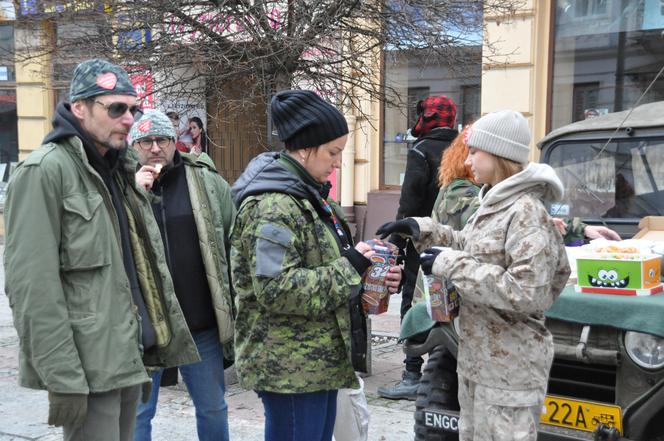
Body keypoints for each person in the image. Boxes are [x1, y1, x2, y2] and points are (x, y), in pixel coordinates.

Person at [3, 59, 198, 441]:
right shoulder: (45, 172)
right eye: (115, 108)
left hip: (126, 358)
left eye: (132, 108)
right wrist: (64, 380)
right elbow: (32, 290)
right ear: (79, 108)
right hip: (86, 369)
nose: (128, 118)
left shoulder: (118, 170)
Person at [377, 110, 571, 441]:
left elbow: (527, 292)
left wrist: (449, 264)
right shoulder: (494, 203)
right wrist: (422, 228)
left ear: (499, 155)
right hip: (478, 363)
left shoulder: (525, 211)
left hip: (510, 372)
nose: (468, 160)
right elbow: (469, 243)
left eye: (474, 152)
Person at [230, 89, 402, 441]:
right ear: (306, 148)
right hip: (289, 367)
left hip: (318, 362)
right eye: (333, 152)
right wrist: (351, 266)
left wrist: (374, 277)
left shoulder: (313, 197)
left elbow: (335, 265)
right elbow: (276, 290)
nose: (338, 162)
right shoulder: (273, 206)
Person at [131, 110, 235, 441]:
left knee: (212, 407)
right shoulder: (119, 187)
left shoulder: (205, 181)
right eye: (145, 141)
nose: (155, 147)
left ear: (175, 143)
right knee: (138, 413)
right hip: (145, 326)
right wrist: (136, 194)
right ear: (134, 146)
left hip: (199, 323)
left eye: (162, 139)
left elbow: (233, 240)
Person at [379, 95, 458, 400]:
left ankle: (412, 372)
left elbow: (409, 203)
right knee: (448, 301)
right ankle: (444, 367)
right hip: (453, 242)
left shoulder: (421, 151)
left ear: (425, 117)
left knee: (413, 303)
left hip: (420, 241)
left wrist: (397, 243)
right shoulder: (464, 151)